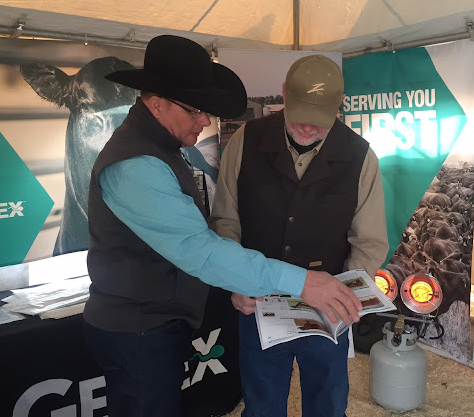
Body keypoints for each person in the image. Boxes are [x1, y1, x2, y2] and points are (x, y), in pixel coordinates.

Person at [82, 36, 363, 417]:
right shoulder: (136, 167)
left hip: (154, 323)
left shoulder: (158, 147)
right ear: (157, 104)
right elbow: (202, 250)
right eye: (195, 110)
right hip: (138, 330)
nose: (204, 121)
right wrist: (303, 282)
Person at [209, 54, 389, 417]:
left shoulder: (360, 156)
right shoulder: (244, 141)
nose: (307, 127)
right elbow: (226, 220)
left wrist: (346, 298)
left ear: (340, 104)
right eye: (299, 114)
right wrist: (236, 283)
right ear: (283, 93)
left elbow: (368, 242)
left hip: (328, 309)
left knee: (327, 404)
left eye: (319, 119)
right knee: (261, 405)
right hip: (257, 303)